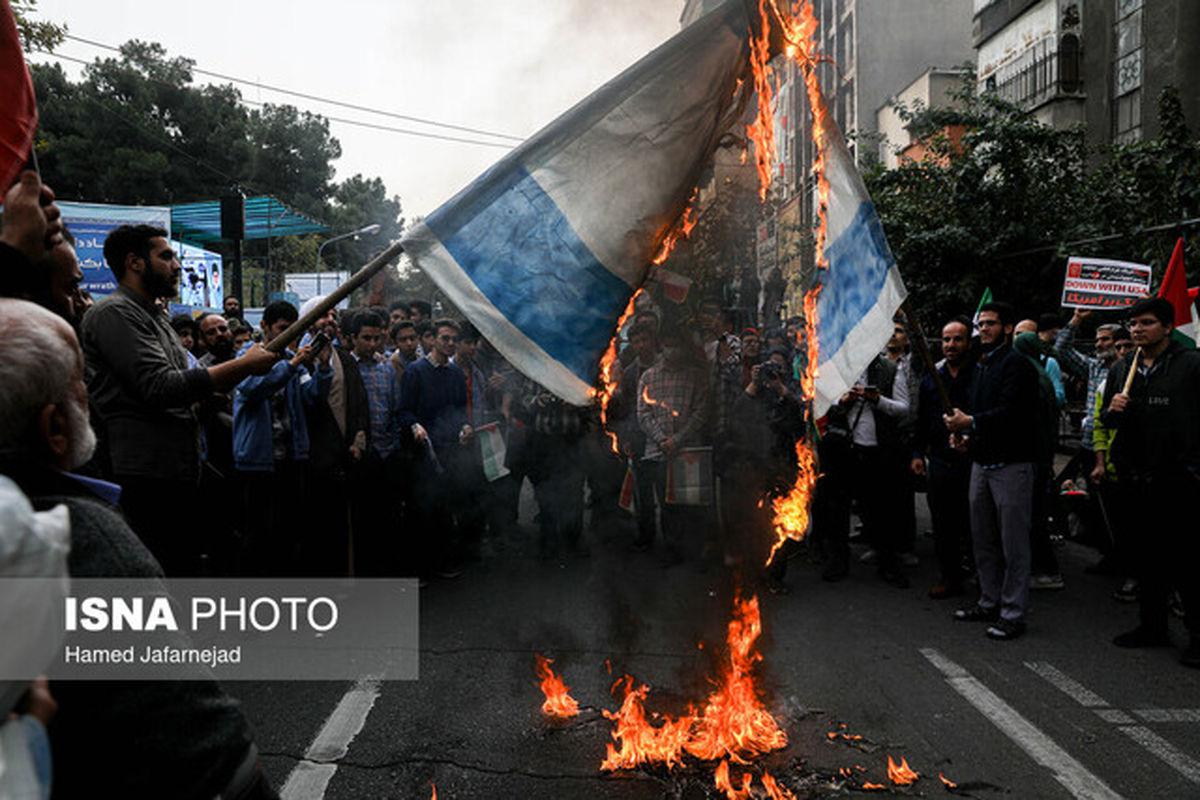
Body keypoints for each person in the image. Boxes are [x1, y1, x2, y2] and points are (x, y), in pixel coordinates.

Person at [0, 298, 278, 799]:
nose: (94, 394)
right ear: (54, 427)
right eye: (80, 381)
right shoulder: (80, 537)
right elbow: (203, 746)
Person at [81, 225, 278, 574]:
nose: (176, 266)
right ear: (135, 263)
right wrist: (244, 365)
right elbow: (161, 387)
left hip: (178, 471)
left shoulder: (156, 317)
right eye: (166, 256)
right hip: (142, 475)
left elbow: (180, 391)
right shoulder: (113, 313)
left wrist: (205, 400)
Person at [1100, 297, 1200, 668]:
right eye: (1133, 323)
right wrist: (1113, 411)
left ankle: (1197, 635)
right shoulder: (1123, 367)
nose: (1137, 329)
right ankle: (1152, 626)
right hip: (1134, 479)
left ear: (1167, 327)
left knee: (1187, 562)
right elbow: (1108, 422)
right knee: (1145, 559)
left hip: (1178, 480)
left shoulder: (1190, 365)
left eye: (1146, 323)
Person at [944, 301, 1040, 640]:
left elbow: (1012, 414)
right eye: (981, 324)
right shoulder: (982, 364)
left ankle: (1013, 612)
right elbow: (980, 413)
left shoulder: (1018, 366)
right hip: (981, 464)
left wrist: (970, 422)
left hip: (1012, 465)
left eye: (991, 324)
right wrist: (967, 438)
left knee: (1013, 544)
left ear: (1008, 328)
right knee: (981, 538)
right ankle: (989, 600)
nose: (984, 329)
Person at [232, 300, 332, 575]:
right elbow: (253, 387)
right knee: (257, 531)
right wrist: (290, 365)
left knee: (289, 530)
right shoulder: (246, 356)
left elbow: (312, 396)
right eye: (282, 329)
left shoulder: (294, 361)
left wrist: (322, 368)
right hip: (257, 460)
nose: (287, 335)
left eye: (293, 330)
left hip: (291, 457)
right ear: (264, 326)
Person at [821, 351, 910, 587]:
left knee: (880, 509)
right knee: (837, 509)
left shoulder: (891, 370)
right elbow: (820, 403)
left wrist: (878, 400)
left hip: (878, 451)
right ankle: (838, 561)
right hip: (843, 449)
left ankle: (888, 563)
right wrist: (842, 401)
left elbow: (903, 408)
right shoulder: (837, 369)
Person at [725, 352, 804, 593]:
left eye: (777, 367)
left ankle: (775, 576)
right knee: (754, 523)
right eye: (768, 368)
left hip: (781, 465)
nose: (772, 372)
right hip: (754, 466)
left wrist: (779, 387)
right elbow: (736, 414)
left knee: (781, 521)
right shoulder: (752, 395)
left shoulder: (790, 391)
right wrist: (753, 382)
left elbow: (800, 419)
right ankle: (754, 572)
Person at [399, 318, 472, 578]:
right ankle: (419, 569)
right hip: (423, 454)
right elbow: (404, 411)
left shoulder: (455, 374)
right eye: (445, 338)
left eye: (454, 339)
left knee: (445, 508)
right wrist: (415, 425)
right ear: (432, 339)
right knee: (422, 511)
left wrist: (465, 427)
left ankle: (443, 562)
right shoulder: (415, 372)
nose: (450, 344)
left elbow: (461, 410)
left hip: (450, 452)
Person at [300, 299, 368, 577]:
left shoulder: (346, 359)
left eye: (332, 315)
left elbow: (359, 403)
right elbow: (308, 403)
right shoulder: (299, 358)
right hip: (313, 458)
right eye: (321, 315)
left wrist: (359, 437)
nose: (329, 320)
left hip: (345, 453)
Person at [912, 317, 977, 599]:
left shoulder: (979, 374)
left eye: (957, 339)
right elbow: (922, 420)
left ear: (968, 342)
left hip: (973, 460)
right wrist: (917, 453)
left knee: (974, 523)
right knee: (943, 523)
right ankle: (949, 577)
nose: (951, 345)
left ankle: (981, 577)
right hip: (939, 460)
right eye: (946, 340)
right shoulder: (932, 378)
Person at [636, 329, 710, 567]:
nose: (672, 350)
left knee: (690, 505)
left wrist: (677, 439)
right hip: (658, 453)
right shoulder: (648, 377)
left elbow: (701, 411)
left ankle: (694, 551)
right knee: (666, 505)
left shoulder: (697, 377)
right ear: (661, 347)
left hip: (688, 452)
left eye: (676, 345)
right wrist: (662, 439)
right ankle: (671, 549)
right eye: (668, 345)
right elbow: (643, 414)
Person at [345, 309, 404, 575]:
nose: (372, 344)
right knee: (361, 518)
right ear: (352, 338)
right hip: (359, 454)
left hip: (387, 451)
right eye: (366, 338)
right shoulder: (344, 368)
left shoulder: (386, 368)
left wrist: (392, 444)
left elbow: (394, 407)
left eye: (376, 339)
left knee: (387, 514)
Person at [612, 319, 661, 550]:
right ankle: (646, 536)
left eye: (645, 339)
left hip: (665, 437)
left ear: (653, 340)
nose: (642, 345)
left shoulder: (665, 367)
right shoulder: (631, 373)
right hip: (640, 438)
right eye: (636, 341)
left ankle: (671, 538)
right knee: (643, 492)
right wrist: (626, 439)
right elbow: (625, 408)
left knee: (666, 490)